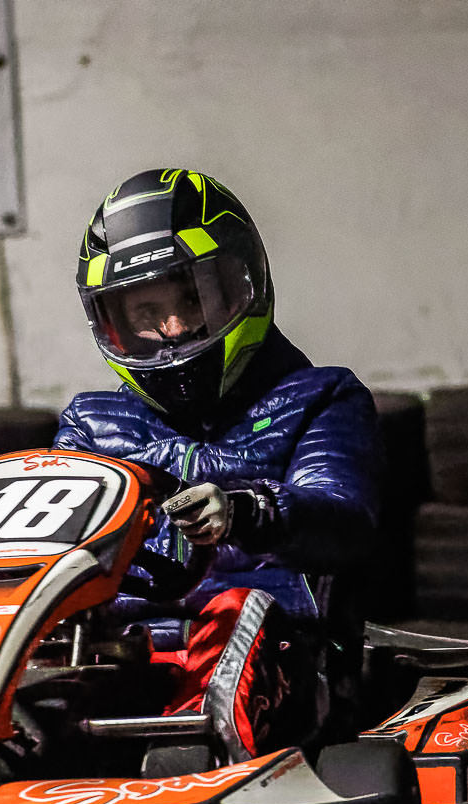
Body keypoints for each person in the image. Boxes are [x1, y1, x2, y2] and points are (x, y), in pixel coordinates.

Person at [55, 166, 383, 761]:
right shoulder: (90, 424)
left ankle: (192, 756)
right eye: (146, 311)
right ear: (113, 323)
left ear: (243, 285)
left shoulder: (321, 399)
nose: (175, 328)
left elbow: (344, 522)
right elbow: (55, 551)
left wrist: (249, 511)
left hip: (283, 662)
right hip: (119, 660)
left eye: (193, 298)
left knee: (235, 615)